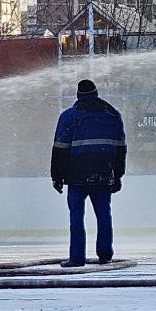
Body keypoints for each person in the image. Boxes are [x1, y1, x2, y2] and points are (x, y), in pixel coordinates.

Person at [50, 78, 126, 267]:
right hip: (103, 174)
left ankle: (77, 258)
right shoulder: (113, 116)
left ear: (78, 96)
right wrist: (118, 176)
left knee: (76, 216)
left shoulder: (68, 117)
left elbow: (59, 149)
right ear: (96, 94)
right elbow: (121, 149)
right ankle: (105, 254)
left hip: (77, 176)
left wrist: (57, 176)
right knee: (104, 214)